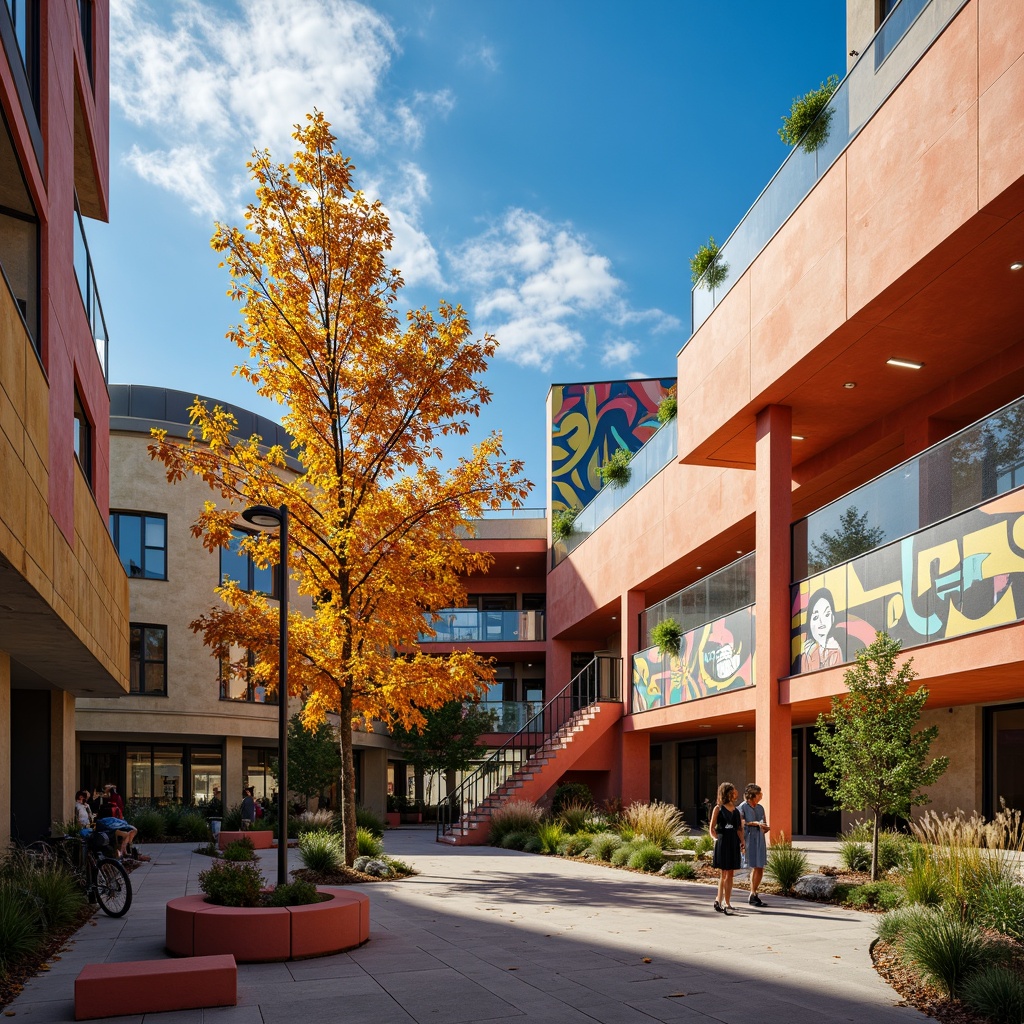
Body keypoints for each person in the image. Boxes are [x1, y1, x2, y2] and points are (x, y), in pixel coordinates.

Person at [709, 781, 744, 914]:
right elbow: (712, 828)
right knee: (724, 873)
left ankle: (726, 902)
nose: (735, 794)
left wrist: (742, 843)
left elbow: (739, 829)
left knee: (730, 874)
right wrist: (716, 839)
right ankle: (720, 900)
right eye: (733, 791)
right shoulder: (718, 809)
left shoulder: (736, 811)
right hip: (723, 842)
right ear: (727, 793)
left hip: (733, 842)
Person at [738, 783, 770, 907]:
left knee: (760, 866)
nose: (761, 795)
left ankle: (754, 893)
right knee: (753, 865)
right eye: (759, 793)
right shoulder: (742, 807)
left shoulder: (760, 808)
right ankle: (753, 893)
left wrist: (765, 827)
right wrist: (755, 824)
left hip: (760, 839)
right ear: (752, 795)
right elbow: (741, 823)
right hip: (749, 838)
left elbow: (764, 822)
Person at [800, 587, 842, 672]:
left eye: (826, 615)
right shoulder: (807, 653)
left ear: (833, 618)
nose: (821, 622)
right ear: (810, 622)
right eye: (815, 617)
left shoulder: (835, 650)